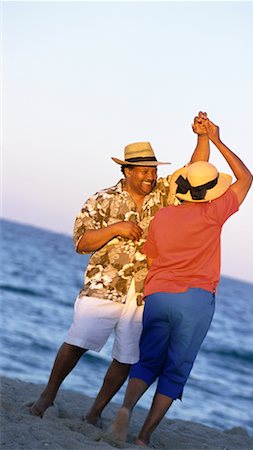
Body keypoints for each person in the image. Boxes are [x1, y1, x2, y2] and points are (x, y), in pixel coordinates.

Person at [29, 111, 210, 424]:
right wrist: (115, 228)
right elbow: (81, 242)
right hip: (104, 287)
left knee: (127, 358)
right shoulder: (101, 199)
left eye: (152, 171)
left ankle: (95, 412)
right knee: (76, 342)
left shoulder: (164, 194)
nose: (150, 177)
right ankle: (48, 394)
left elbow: (196, 171)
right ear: (127, 171)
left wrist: (203, 137)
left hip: (144, 293)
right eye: (143, 171)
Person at [111, 117, 253, 447]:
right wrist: (217, 139)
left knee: (147, 361)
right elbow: (247, 178)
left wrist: (204, 139)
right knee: (175, 370)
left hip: (158, 295)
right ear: (212, 190)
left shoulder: (163, 216)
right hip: (196, 299)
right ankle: (144, 437)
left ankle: (125, 409)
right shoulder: (215, 212)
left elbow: (152, 254)